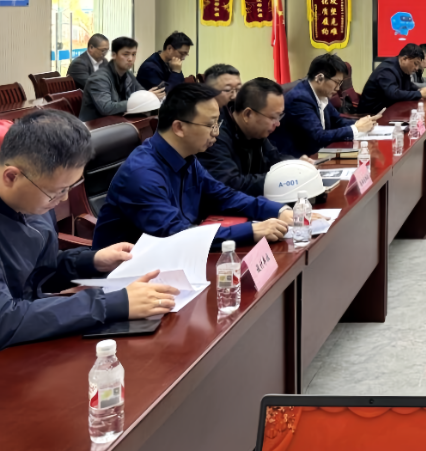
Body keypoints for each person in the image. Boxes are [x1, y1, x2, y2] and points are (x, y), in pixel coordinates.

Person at [0, 110, 179, 349]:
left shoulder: (34, 202)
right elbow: (6, 321)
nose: (64, 199)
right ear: (11, 177)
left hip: (35, 330)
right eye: (57, 191)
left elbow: (36, 272)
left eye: (69, 188)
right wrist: (112, 303)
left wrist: (92, 261)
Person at [92, 84, 293, 249]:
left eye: (218, 124)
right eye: (211, 125)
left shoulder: (187, 158)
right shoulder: (142, 175)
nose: (216, 133)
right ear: (179, 127)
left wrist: (278, 210)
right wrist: (251, 231)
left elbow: (224, 196)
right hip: (124, 274)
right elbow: (177, 235)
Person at [199, 78, 315, 196]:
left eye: (279, 116)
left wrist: (296, 165)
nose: (277, 123)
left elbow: (274, 158)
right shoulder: (215, 137)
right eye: (273, 117)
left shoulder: (256, 132)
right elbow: (232, 184)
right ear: (248, 114)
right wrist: (283, 177)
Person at [270, 55, 378, 158]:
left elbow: (337, 120)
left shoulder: (320, 93)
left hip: (320, 153)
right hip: (301, 158)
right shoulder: (300, 99)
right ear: (320, 78)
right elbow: (318, 136)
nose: (338, 88)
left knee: (365, 156)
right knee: (361, 158)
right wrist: (355, 129)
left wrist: (363, 124)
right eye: (337, 82)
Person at [80, 37, 166, 121]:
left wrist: (149, 96)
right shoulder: (98, 78)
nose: (130, 59)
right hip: (95, 125)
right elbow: (106, 108)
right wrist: (144, 99)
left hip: (117, 121)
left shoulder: (127, 74)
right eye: (126, 54)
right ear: (114, 55)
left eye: (133, 54)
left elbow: (140, 92)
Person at [356, 43, 426, 116]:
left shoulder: (403, 69)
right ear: (404, 59)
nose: (417, 68)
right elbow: (393, 94)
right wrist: (419, 94)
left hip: (387, 111)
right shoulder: (387, 70)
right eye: (415, 64)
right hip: (370, 115)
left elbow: (408, 86)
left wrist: (420, 90)